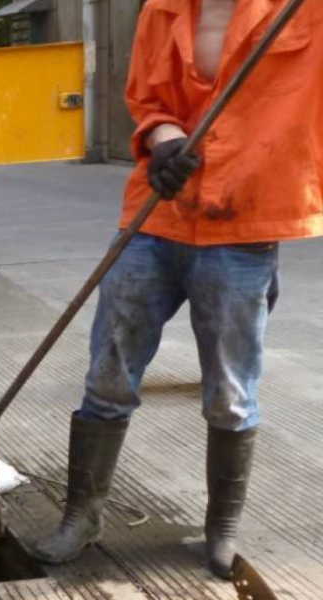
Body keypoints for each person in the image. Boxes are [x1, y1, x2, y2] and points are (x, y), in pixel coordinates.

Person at [32, 0, 323, 581]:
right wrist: (163, 141)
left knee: (230, 391)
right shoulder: (162, 10)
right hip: (158, 213)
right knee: (108, 372)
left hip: (245, 222)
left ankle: (222, 529)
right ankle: (82, 518)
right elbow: (149, 101)